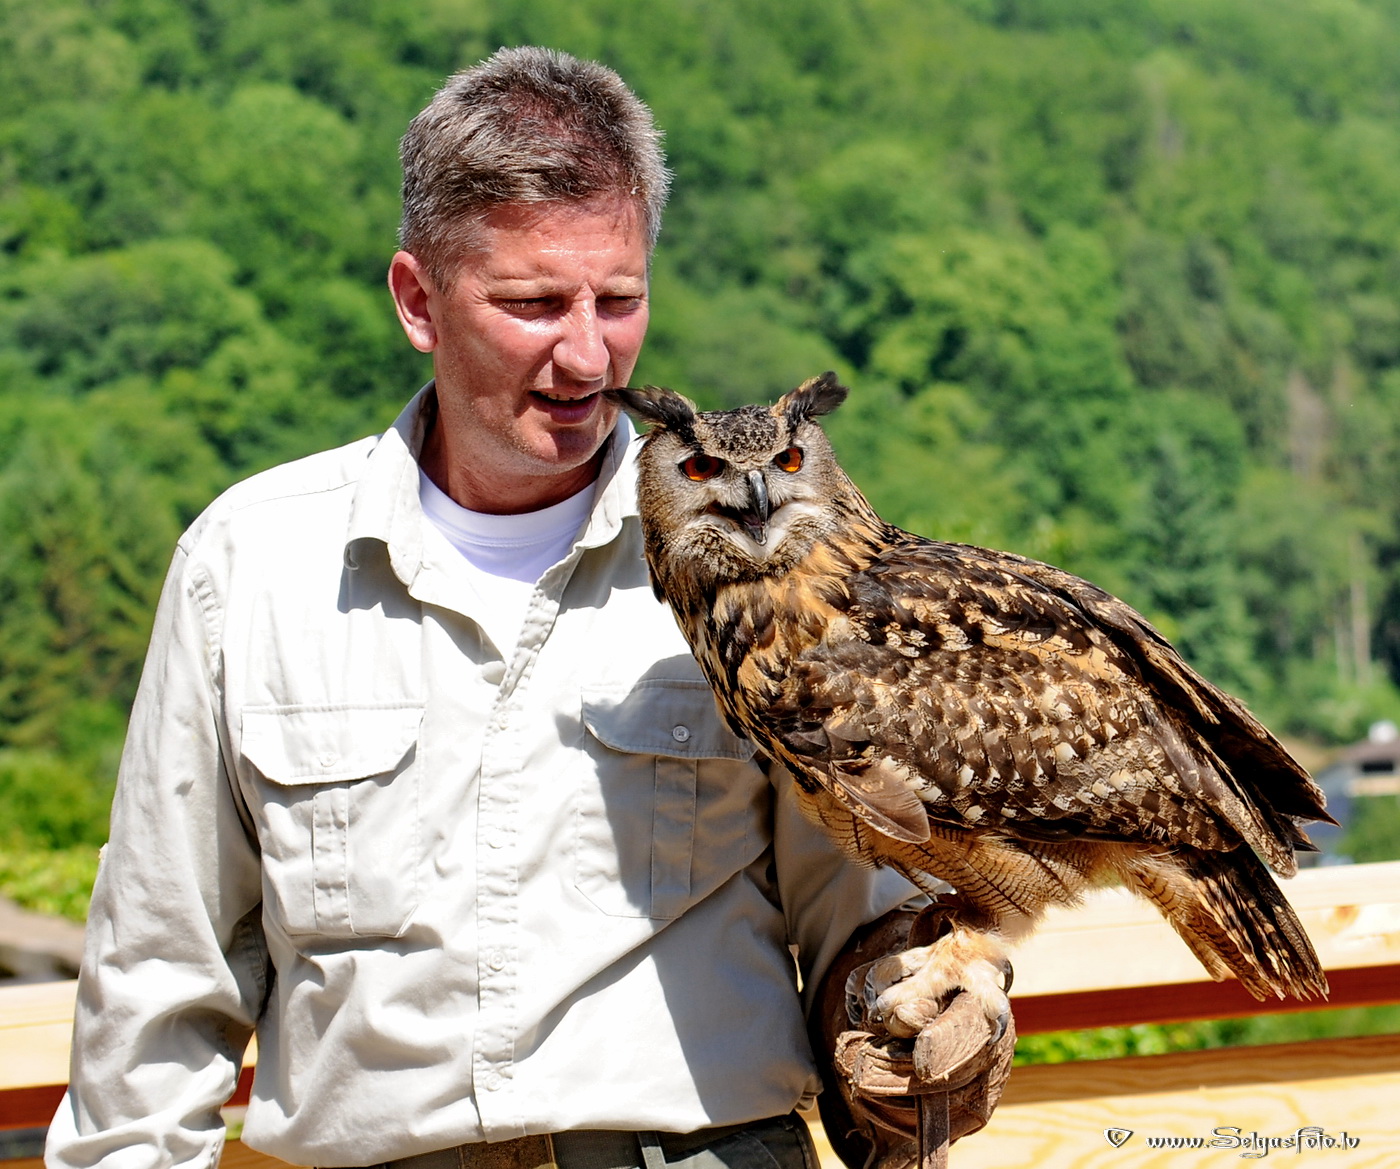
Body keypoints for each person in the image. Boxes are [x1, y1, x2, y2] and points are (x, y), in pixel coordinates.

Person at [48, 47, 1004, 1169]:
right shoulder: (249, 562)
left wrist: (918, 1021)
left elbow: (858, 912)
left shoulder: (778, 566)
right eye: (534, 303)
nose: (588, 353)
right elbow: (161, 978)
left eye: (620, 298)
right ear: (418, 299)